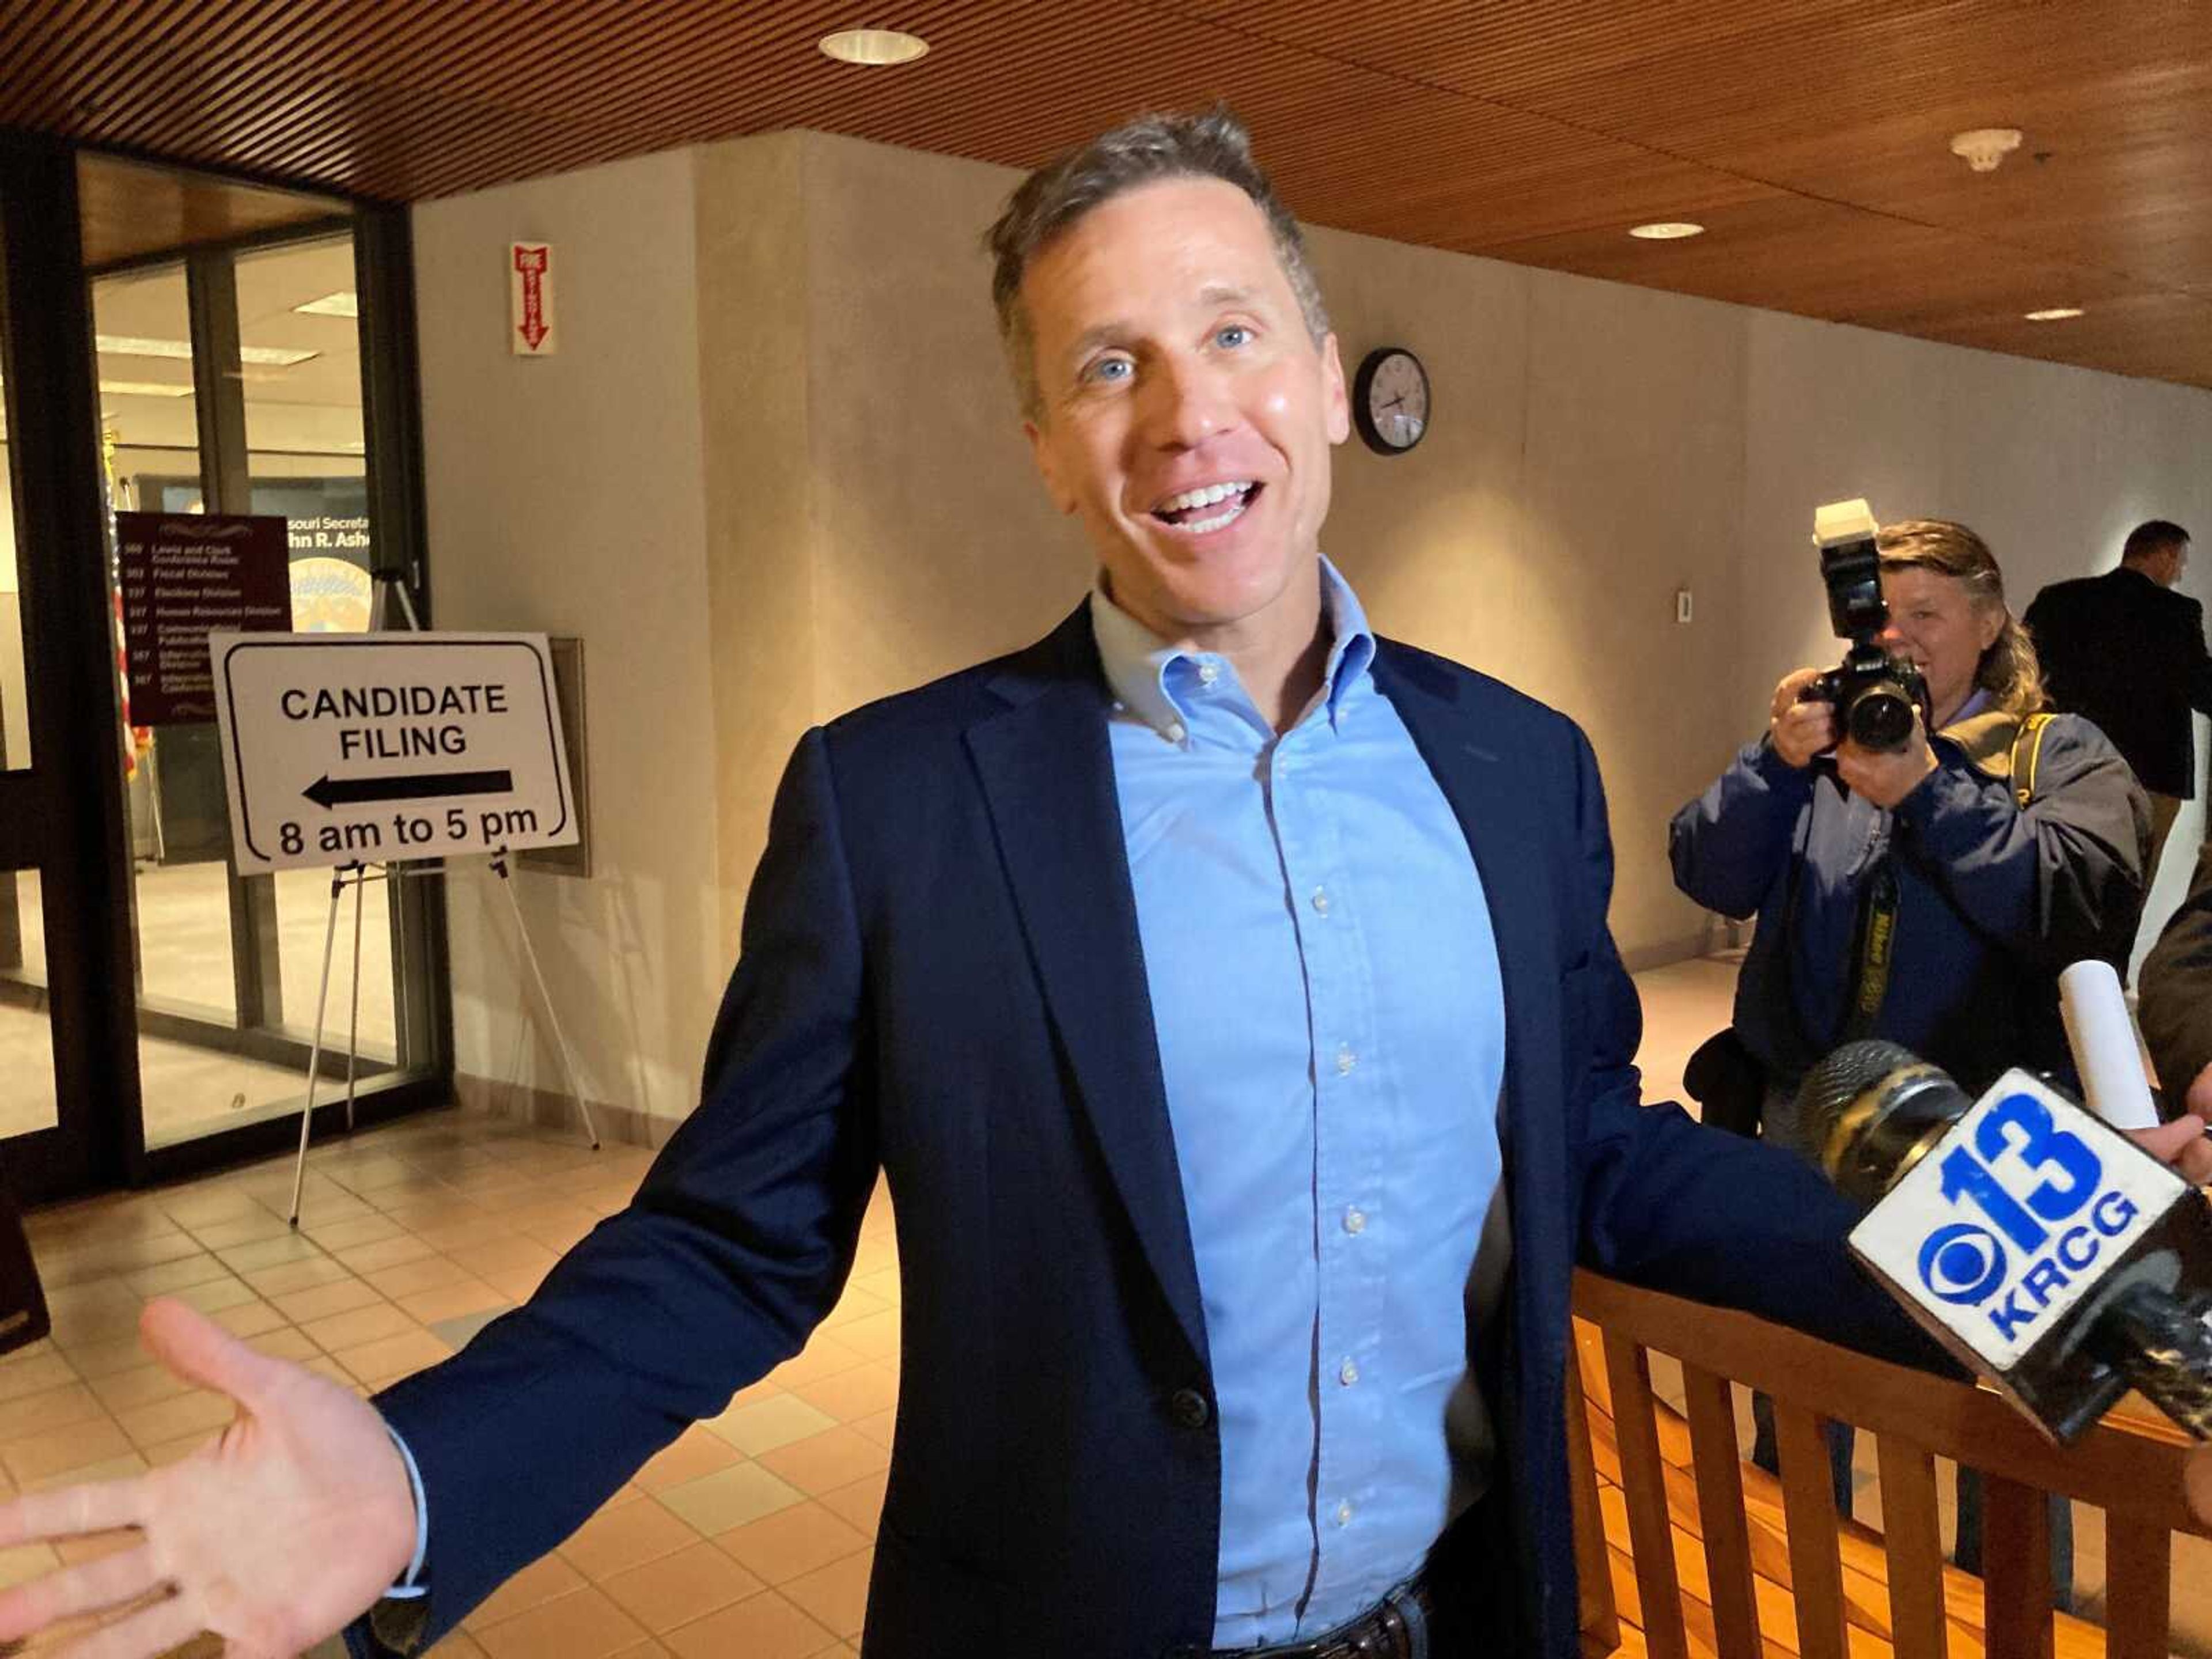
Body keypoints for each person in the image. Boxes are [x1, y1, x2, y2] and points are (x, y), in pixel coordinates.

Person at [0, 112, 2159, 1659]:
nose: (1176, 411)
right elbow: (730, 1250)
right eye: (1100, 365)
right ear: (1044, 442)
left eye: (1229, 335)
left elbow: (1603, 1150)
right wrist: (417, 1475)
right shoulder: (901, 800)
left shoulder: (1514, 766)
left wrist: (2074, 1237)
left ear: (1320, 381)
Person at [1669, 517, 2169, 1591]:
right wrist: (1774, 764)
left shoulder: (2059, 750)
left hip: (1991, 1139)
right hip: (1812, 1110)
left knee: (1997, 1416)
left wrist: (1927, 787)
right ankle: (1788, 1586)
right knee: (1804, 1374)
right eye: (1883, 615)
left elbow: (2078, 903)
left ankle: (2012, 1609)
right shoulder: (1824, 748)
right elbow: (1708, 873)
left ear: (1990, 625)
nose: (1900, 637)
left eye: (1929, 614)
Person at [2025, 520, 2212, 874]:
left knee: (2058, 873)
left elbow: (2023, 671)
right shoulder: (2176, 612)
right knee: (2130, 886)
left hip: (2066, 763)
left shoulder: (2059, 600)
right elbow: (2199, 684)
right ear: (2166, 554)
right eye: (2181, 563)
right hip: (2151, 772)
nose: (2179, 573)